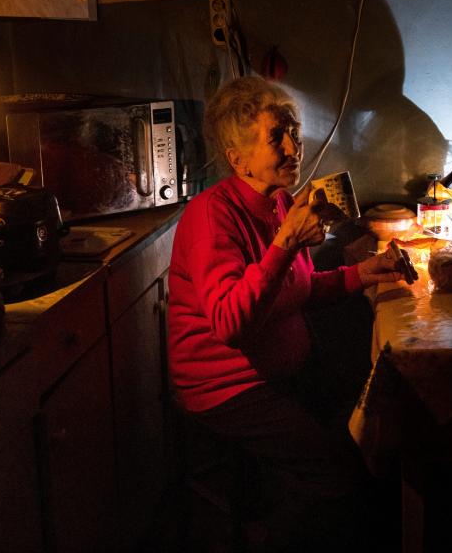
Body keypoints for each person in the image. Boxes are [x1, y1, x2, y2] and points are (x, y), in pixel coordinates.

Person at [167, 75, 405, 551]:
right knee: (333, 473)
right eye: (276, 136)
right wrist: (286, 242)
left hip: (281, 370)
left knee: (376, 427)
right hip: (227, 386)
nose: (293, 146)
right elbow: (230, 323)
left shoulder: (276, 203)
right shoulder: (213, 215)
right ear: (238, 160)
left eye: (293, 131)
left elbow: (294, 291)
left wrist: (368, 272)